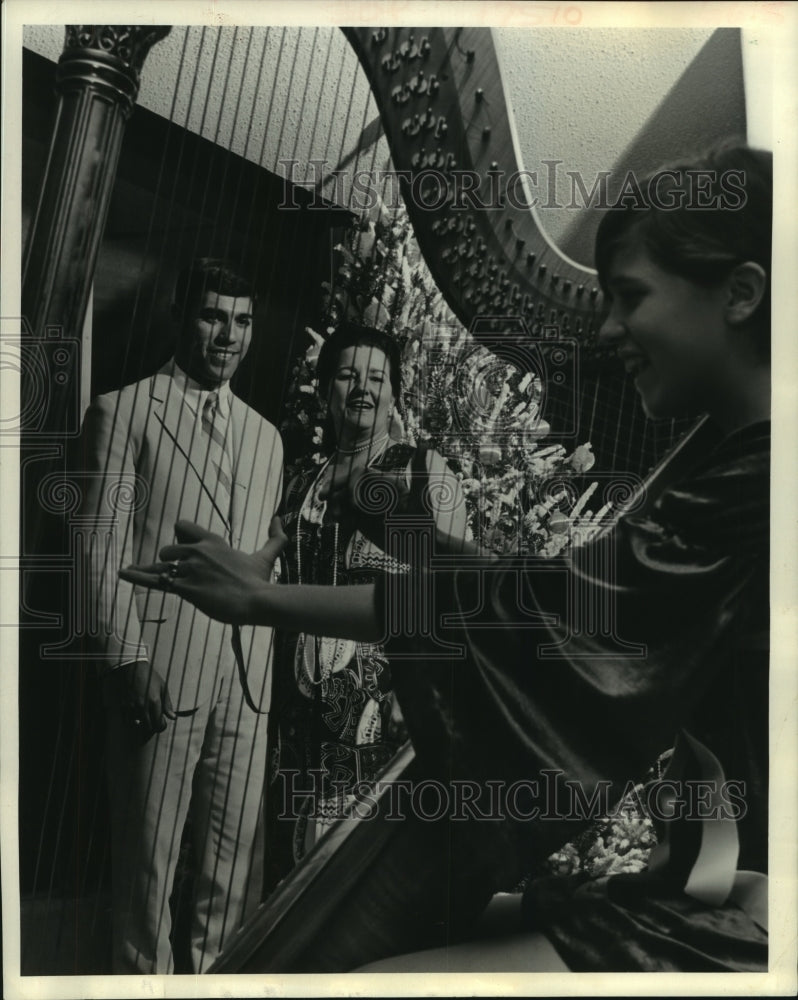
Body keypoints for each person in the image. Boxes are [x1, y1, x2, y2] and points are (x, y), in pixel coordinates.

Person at [121, 143, 771, 972]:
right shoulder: (741, 466)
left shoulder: (754, 482)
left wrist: (265, 600)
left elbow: (539, 609)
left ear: (743, 293)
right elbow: (535, 591)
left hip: (747, 912)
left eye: (630, 298)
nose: (607, 331)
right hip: (717, 884)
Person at [79, 258, 283, 973]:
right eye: (213, 315)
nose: (229, 334)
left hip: (247, 684)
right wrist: (129, 659)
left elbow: (262, 563)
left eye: (244, 319)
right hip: (159, 675)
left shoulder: (267, 438)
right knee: (148, 884)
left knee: (231, 888)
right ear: (183, 315)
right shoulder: (123, 409)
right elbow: (97, 549)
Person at [265, 321, 468, 880]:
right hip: (297, 713)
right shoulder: (299, 480)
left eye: (376, 377)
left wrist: (423, 687)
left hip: (385, 708)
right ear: (325, 388)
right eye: (347, 375)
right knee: (294, 877)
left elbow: (457, 594)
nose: (362, 387)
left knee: (364, 874)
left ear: (395, 395)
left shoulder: (426, 472)